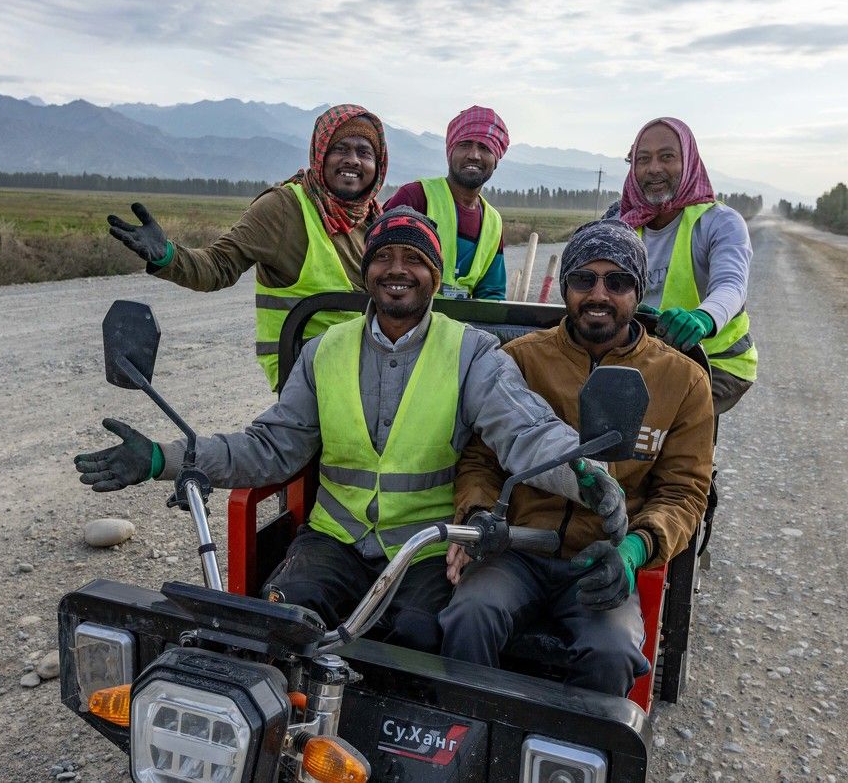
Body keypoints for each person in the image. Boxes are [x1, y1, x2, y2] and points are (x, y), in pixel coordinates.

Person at [75, 208, 628, 654]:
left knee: (419, 641)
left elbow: (527, 431)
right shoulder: (323, 351)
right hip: (332, 540)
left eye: (414, 259)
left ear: (434, 276)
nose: (397, 269)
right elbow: (270, 447)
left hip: (425, 548)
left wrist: (583, 473)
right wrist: (163, 458)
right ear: (366, 271)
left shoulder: (473, 353)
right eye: (383, 256)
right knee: (281, 624)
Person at [439, 219, 715, 696]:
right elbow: (481, 459)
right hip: (517, 550)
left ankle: (576, 745)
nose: (599, 294)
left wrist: (634, 550)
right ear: (566, 286)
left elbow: (684, 492)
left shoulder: (683, 381)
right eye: (584, 279)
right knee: (468, 615)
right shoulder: (520, 359)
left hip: (604, 559)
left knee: (613, 652)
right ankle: (467, 732)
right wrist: (478, 515)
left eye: (618, 281)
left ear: (638, 291)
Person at [106, 104, 389, 390]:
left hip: (367, 367)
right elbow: (219, 265)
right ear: (321, 153)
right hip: (306, 375)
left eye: (364, 153)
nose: (353, 160)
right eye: (340, 149)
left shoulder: (376, 219)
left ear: (378, 165)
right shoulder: (283, 209)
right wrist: (168, 255)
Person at [617, 116, 757, 415]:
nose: (654, 168)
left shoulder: (719, 222)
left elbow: (731, 285)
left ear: (689, 161)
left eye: (667, 157)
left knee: (658, 419)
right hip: (640, 354)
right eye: (643, 159)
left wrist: (703, 318)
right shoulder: (618, 223)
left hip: (714, 361)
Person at [383, 106, 508, 300]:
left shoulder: (493, 222)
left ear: (496, 159)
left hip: (464, 320)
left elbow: (492, 293)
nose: (474, 155)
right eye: (465, 145)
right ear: (450, 152)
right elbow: (381, 269)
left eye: (484, 148)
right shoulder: (416, 197)